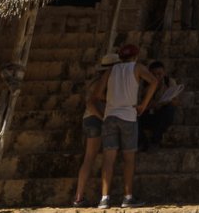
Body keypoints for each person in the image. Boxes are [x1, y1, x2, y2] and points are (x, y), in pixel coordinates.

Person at [95, 44, 158, 209]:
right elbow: (154, 82)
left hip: (110, 115)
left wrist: (111, 100)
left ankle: (104, 198)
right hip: (128, 116)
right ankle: (128, 197)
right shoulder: (137, 68)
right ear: (135, 56)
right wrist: (143, 104)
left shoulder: (110, 71)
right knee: (129, 158)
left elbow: (98, 93)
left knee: (108, 158)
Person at [71, 53, 117, 207]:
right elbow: (91, 103)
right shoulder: (103, 83)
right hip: (96, 120)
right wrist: (103, 117)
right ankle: (98, 197)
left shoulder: (95, 82)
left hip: (90, 120)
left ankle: (79, 197)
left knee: (89, 159)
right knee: (99, 158)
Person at [139, 61, 181, 151]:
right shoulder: (143, 84)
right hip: (147, 113)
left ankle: (155, 141)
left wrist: (166, 102)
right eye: (153, 74)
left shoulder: (169, 82)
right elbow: (138, 104)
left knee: (170, 110)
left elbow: (176, 102)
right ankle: (142, 142)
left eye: (159, 74)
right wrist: (150, 105)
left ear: (164, 73)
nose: (157, 77)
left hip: (161, 114)